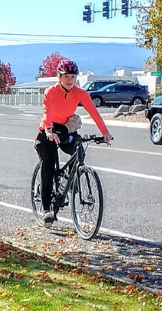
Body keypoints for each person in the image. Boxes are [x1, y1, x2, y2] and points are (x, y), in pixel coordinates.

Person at [36, 59, 113, 225]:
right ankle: (47, 209)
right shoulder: (51, 92)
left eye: (72, 76)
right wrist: (49, 131)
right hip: (48, 129)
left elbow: (93, 112)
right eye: (66, 76)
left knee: (79, 150)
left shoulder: (80, 93)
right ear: (60, 77)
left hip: (65, 128)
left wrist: (105, 132)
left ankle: (72, 180)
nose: (70, 80)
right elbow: (47, 112)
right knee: (48, 164)